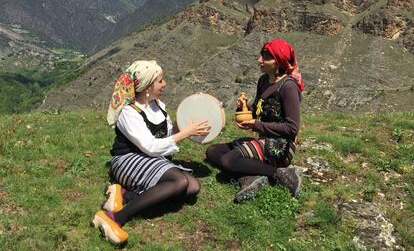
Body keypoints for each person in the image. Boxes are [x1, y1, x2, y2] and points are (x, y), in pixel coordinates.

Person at [92, 60, 210, 245]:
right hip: (127, 160)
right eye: (160, 81)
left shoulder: (159, 106)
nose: (165, 84)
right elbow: (151, 146)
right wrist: (186, 133)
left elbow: (166, 135)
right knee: (179, 181)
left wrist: (187, 125)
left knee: (193, 187)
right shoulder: (129, 113)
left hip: (150, 158)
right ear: (147, 86)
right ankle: (115, 218)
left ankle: (125, 194)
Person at [206, 39, 304, 203]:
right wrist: (244, 108)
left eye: (266, 57)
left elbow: (292, 128)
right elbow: (258, 109)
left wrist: (256, 125)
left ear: (278, 61)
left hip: (281, 145)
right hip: (263, 140)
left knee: (228, 160)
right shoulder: (264, 81)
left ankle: (279, 173)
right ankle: (252, 176)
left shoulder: (288, 87)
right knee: (213, 152)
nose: (260, 60)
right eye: (261, 55)